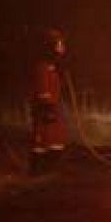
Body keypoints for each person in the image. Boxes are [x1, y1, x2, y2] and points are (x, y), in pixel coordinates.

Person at [27, 29, 69, 175]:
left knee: (54, 140)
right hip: (45, 110)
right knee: (43, 141)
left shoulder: (52, 66)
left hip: (51, 110)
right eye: (59, 44)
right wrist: (47, 108)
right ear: (51, 46)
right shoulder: (43, 67)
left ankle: (48, 170)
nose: (62, 47)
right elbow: (42, 89)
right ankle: (39, 170)